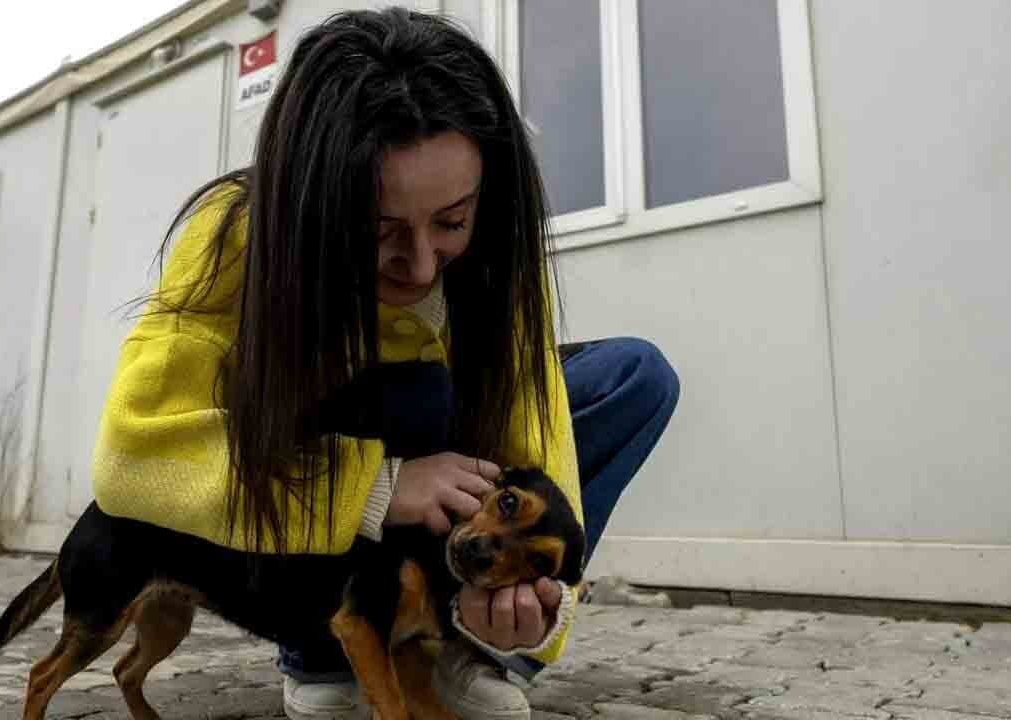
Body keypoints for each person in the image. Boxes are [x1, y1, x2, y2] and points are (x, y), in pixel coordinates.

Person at [91, 7, 679, 720]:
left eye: (451, 222)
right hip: (314, 462)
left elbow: (534, 428)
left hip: (442, 476)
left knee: (633, 377)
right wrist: (375, 486)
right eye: (378, 231)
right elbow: (134, 456)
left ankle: (466, 644)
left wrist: (532, 602)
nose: (423, 262)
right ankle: (319, 654)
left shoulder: (496, 246)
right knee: (415, 395)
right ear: (307, 204)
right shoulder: (235, 234)